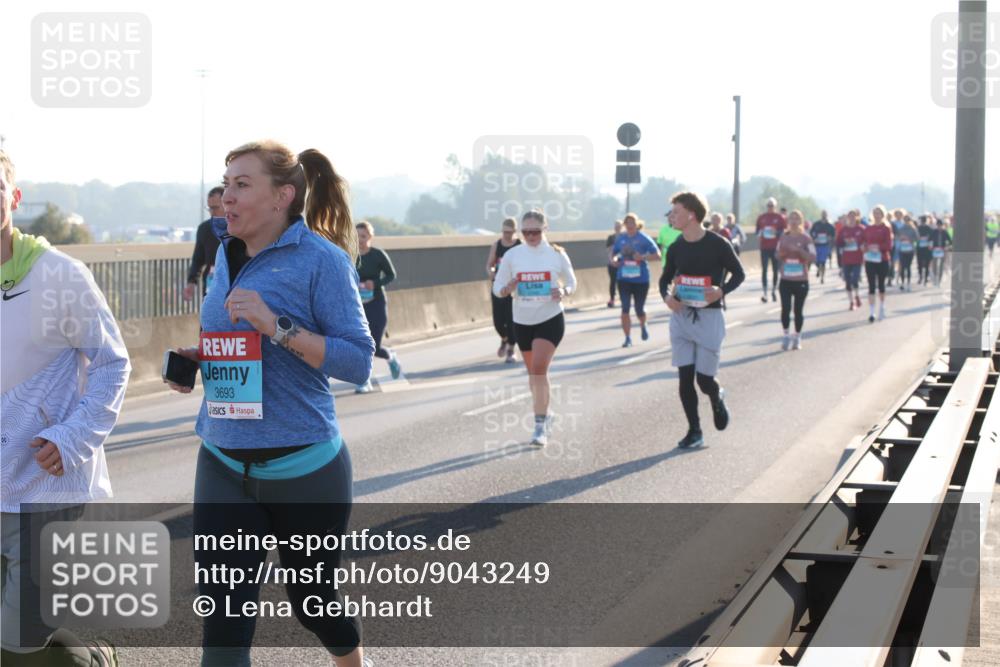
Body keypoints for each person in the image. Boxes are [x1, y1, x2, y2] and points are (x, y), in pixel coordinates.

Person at [165, 140, 374, 667]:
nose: (225, 198)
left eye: (242, 185)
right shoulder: (223, 254)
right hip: (222, 460)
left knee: (314, 604)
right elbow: (233, 342)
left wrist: (278, 328)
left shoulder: (320, 261)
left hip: (304, 466)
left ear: (282, 196)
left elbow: (357, 361)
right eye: (225, 184)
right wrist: (203, 359)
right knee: (224, 622)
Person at [1, 149, 131, 666]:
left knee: (16, 647)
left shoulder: (60, 275)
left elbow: (112, 363)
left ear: (13, 197)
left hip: (43, 484)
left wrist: (72, 436)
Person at [659, 192, 745, 449]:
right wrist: (667, 298)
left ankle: (716, 395)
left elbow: (738, 274)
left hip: (709, 317)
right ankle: (694, 431)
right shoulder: (676, 247)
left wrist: (721, 291)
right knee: (685, 378)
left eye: (676, 212)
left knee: (704, 380)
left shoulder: (718, 244)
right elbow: (664, 279)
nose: (671, 217)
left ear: (692, 214)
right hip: (682, 316)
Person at [493, 210, 577, 447]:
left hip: (550, 318)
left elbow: (572, 281)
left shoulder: (556, 254)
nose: (531, 236)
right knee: (534, 374)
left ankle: (539, 425)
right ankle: (547, 413)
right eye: (526, 232)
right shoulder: (512, 255)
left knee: (539, 368)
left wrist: (563, 291)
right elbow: (497, 287)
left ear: (545, 229)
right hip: (522, 320)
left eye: (536, 231)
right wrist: (506, 289)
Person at [356, 220, 402, 392]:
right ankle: (363, 381)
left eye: (363, 236)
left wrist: (374, 283)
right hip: (357, 305)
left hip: (377, 302)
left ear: (370, 236)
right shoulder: (350, 255)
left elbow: (391, 275)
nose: (360, 240)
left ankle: (391, 357)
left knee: (374, 345)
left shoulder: (378, 255)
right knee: (361, 343)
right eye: (357, 236)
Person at [610, 213, 661, 347]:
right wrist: (614, 260)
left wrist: (643, 257)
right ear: (624, 225)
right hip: (624, 279)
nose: (630, 225)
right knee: (625, 309)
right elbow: (614, 253)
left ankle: (643, 324)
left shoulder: (644, 238)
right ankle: (627, 338)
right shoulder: (621, 238)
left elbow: (657, 255)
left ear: (637, 223)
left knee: (639, 309)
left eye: (632, 222)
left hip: (641, 279)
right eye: (627, 223)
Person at [776, 210, 816, 350]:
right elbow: (777, 254)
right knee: (785, 308)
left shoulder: (806, 238)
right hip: (786, 279)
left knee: (798, 310)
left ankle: (797, 336)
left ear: (801, 221)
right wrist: (783, 252)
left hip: (801, 280)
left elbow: (813, 257)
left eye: (797, 219)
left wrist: (799, 251)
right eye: (791, 218)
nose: (793, 221)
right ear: (788, 221)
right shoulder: (783, 237)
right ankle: (786, 335)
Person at [487, 217, 521, 362]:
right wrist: (491, 272)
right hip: (499, 287)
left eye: (509, 232)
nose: (506, 235)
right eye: (504, 232)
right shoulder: (497, 245)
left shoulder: (520, 245)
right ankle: (505, 338)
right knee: (498, 321)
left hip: (514, 288)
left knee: (512, 320)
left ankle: (511, 350)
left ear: (514, 231)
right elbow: (489, 264)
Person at [184, 186, 225, 300]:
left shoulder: (240, 227)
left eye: (215, 208)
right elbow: (198, 258)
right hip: (211, 281)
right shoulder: (204, 228)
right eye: (209, 208)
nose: (212, 212)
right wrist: (191, 282)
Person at [862, 205, 894, 322]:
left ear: (882, 215)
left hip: (882, 259)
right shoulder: (868, 228)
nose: (876, 215)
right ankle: (871, 312)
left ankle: (882, 307)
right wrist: (864, 247)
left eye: (878, 213)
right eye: (875, 213)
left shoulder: (886, 228)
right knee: (871, 285)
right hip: (870, 260)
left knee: (881, 285)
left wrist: (878, 247)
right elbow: (863, 242)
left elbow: (889, 245)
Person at [755, 197, 786, 303]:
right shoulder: (761, 217)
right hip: (764, 247)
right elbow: (757, 231)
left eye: (772, 205)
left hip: (775, 247)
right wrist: (761, 234)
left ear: (775, 206)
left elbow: (783, 231)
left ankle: (773, 290)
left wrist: (775, 233)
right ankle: (764, 292)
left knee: (775, 270)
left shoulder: (780, 217)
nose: (770, 207)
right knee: (764, 270)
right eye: (768, 205)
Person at [836, 209, 865, 310]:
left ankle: (857, 295)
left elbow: (866, 241)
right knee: (847, 281)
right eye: (850, 216)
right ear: (847, 218)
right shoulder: (843, 230)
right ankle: (851, 302)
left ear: (857, 217)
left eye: (854, 216)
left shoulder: (861, 229)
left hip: (857, 258)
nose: (852, 218)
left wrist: (860, 244)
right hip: (846, 259)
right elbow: (838, 243)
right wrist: (845, 242)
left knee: (855, 279)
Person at [810, 210, 836, 283]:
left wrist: (830, 238)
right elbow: (811, 232)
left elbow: (833, 235)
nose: (824, 215)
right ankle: (818, 269)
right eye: (823, 214)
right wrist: (814, 239)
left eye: (825, 214)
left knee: (823, 262)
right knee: (816, 261)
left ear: (827, 215)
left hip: (825, 245)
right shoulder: (816, 224)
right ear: (821, 215)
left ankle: (822, 278)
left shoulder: (830, 226)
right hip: (817, 245)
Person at [896, 215, 919, 291]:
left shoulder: (913, 229)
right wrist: (901, 238)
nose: (906, 221)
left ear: (910, 220)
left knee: (908, 267)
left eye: (907, 220)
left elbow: (917, 238)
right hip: (902, 249)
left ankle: (908, 284)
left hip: (910, 250)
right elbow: (897, 237)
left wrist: (910, 239)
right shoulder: (901, 229)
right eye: (905, 220)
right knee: (902, 266)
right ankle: (902, 283)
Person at [929, 217, 953, 287]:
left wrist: (947, 247)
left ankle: (939, 280)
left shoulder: (945, 232)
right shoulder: (934, 232)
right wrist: (930, 246)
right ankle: (935, 278)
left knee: (941, 266)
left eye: (940, 225)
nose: (939, 227)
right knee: (934, 266)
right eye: (938, 225)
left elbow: (950, 241)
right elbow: (929, 239)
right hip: (935, 250)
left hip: (942, 250)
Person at [605, 220, 622, 308]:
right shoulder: (611, 238)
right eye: (616, 225)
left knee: (621, 281)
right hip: (611, 263)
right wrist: (612, 260)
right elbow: (608, 250)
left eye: (619, 225)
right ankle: (612, 298)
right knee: (613, 281)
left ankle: (623, 298)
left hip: (622, 264)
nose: (617, 227)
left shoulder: (624, 237)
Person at [916, 214, 934, 285]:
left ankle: (925, 278)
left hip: (927, 248)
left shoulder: (929, 229)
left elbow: (932, 238)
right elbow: (915, 238)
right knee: (920, 263)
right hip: (920, 248)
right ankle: (921, 277)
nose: (923, 222)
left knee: (926, 264)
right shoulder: (918, 228)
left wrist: (928, 240)